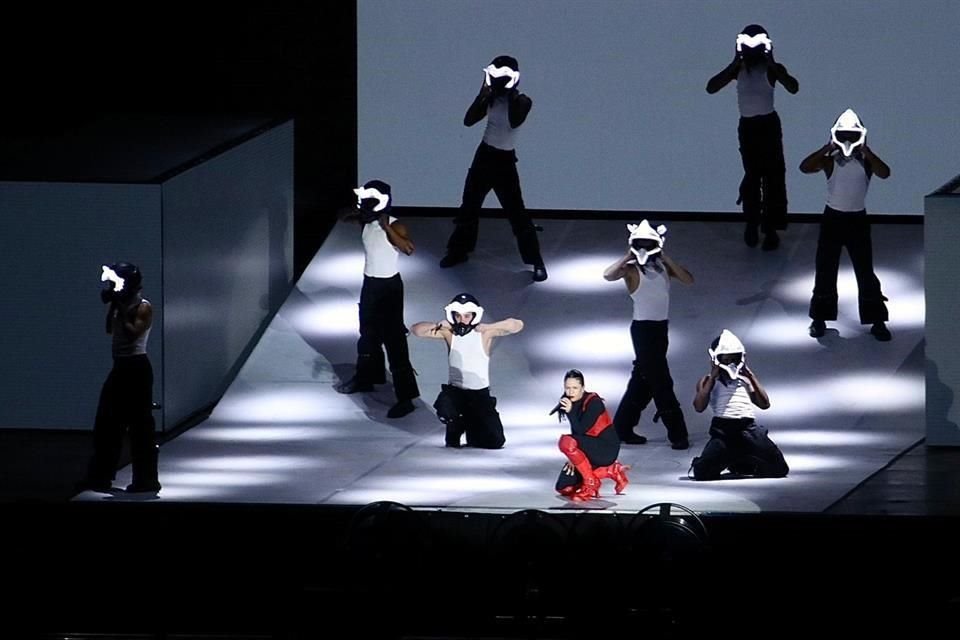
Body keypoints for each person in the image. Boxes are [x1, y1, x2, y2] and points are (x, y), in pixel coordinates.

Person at [439, 55, 547, 282]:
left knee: (517, 213)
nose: (497, 81)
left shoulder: (522, 101)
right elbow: (468, 120)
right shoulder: (490, 98)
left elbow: (515, 120)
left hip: (505, 161)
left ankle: (536, 261)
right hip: (484, 156)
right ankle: (458, 252)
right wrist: (484, 92)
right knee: (469, 207)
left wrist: (507, 91)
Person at [799, 109, 892, 341]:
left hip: (857, 220)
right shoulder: (829, 162)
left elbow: (885, 173)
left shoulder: (866, 163)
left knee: (865, 271)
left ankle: (877, 321)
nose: (848, 139)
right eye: (843, 135)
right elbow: (804, 167)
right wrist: (826, 147)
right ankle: (819, 318)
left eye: (852, 134)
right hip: (832, 219)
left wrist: (867, 152)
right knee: (825, 269)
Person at [706, 24, 799, 250]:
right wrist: (735, 61)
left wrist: (772, 62)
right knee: (752, 176)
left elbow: (793, 87)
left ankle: (770, 230)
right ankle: (751, 223)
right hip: (748, 127)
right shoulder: (738, 70)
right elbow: (711, 87)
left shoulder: (771, 69)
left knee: (773, 178)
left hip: (768, 125)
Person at [604, 221, 694, 449]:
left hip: (660, 329)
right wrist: (628, 256)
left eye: (649, 244)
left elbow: (688, 279)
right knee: (661, 382)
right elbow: (608, 275)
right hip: (643, 331)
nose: (644, 248)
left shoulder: (663, 268)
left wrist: (665, 256)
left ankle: (621, 428)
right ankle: (678, 434)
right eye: (640, 244)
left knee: (643, 381)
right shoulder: (631, 270)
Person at [337, 180, 421, 418]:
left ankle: (406, 398)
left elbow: (408, 249)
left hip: (389, 288)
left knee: (394, 341)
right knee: (367, 334)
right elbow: (342, 216)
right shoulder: (365, 222)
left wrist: (387, 228)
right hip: (370, 284)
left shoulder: (396, 225)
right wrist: (360, 212)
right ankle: (367, 378)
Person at [78, 262, 161, 493]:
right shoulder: (122, 304)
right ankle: (101, 476)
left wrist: (121, 307)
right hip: (121, 367)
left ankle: (146, 480)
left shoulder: (143, 307)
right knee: (107, 423)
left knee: (140, 426)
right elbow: (109, 329)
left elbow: (133, 333)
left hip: (136, 369)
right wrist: (115, 305)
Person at [411, 293, 522, 448]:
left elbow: (516, 325)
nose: (462, 320)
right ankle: (456, 424)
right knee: (448, 414)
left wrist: (488, 327)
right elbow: (416, 330)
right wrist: (437, 324)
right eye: (458, 316)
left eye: (467, 316)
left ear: (475, 315)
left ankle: (471, 424)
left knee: (495, 441)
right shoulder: (449, 333)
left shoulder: (485, 334)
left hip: (479, 395)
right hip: (456, 394)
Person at [690, 330, 788, 480]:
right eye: (726, 359)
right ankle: (730, 458)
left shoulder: (745, 380)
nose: (730, 363)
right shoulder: (707, 381)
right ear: (716, 358)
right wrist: (713, 377)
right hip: (723, 431)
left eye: (734, 359)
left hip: (749, 429)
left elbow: (764, 404)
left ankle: (742, 460)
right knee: (702, 473)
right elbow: (699, 406)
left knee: (779, 469)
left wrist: (750, 376)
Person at [552, 369, 630, 502]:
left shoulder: (594, 402)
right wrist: (573, 457)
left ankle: (591, 483)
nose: (570, 392)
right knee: (564, 488)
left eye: (575, 388)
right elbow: (577, 435)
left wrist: (570, 412)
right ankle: (612, 470)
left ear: (582, 388)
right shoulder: (571, 402)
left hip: (605, 449)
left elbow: (581, 431)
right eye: (567, 388)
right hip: (589, 449)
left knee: (565, 441)